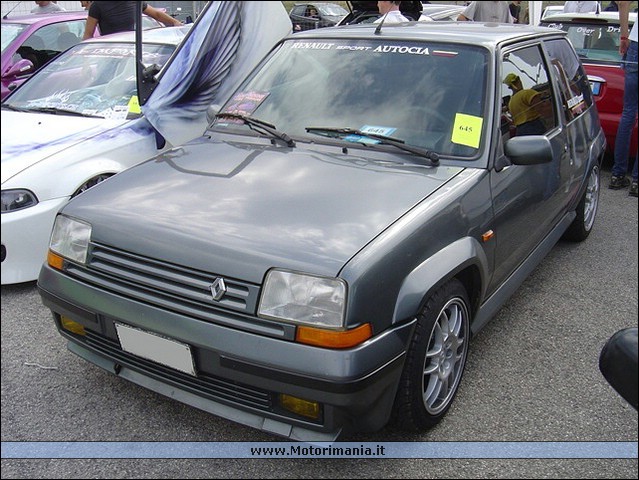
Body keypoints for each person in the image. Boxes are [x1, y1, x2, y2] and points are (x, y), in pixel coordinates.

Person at [609, 1, 638, 196]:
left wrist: (624, 36)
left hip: (636, 44)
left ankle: (617, 174)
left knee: (628, 113)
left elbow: (623, 3)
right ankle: (637, 181)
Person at [83, 1, 182, 40]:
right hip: (111, 51)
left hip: (131, 49)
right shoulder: (97, 5)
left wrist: (175, 22)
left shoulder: (135, 2)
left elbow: (156, 14)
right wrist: (85, 63)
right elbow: (88, 34)